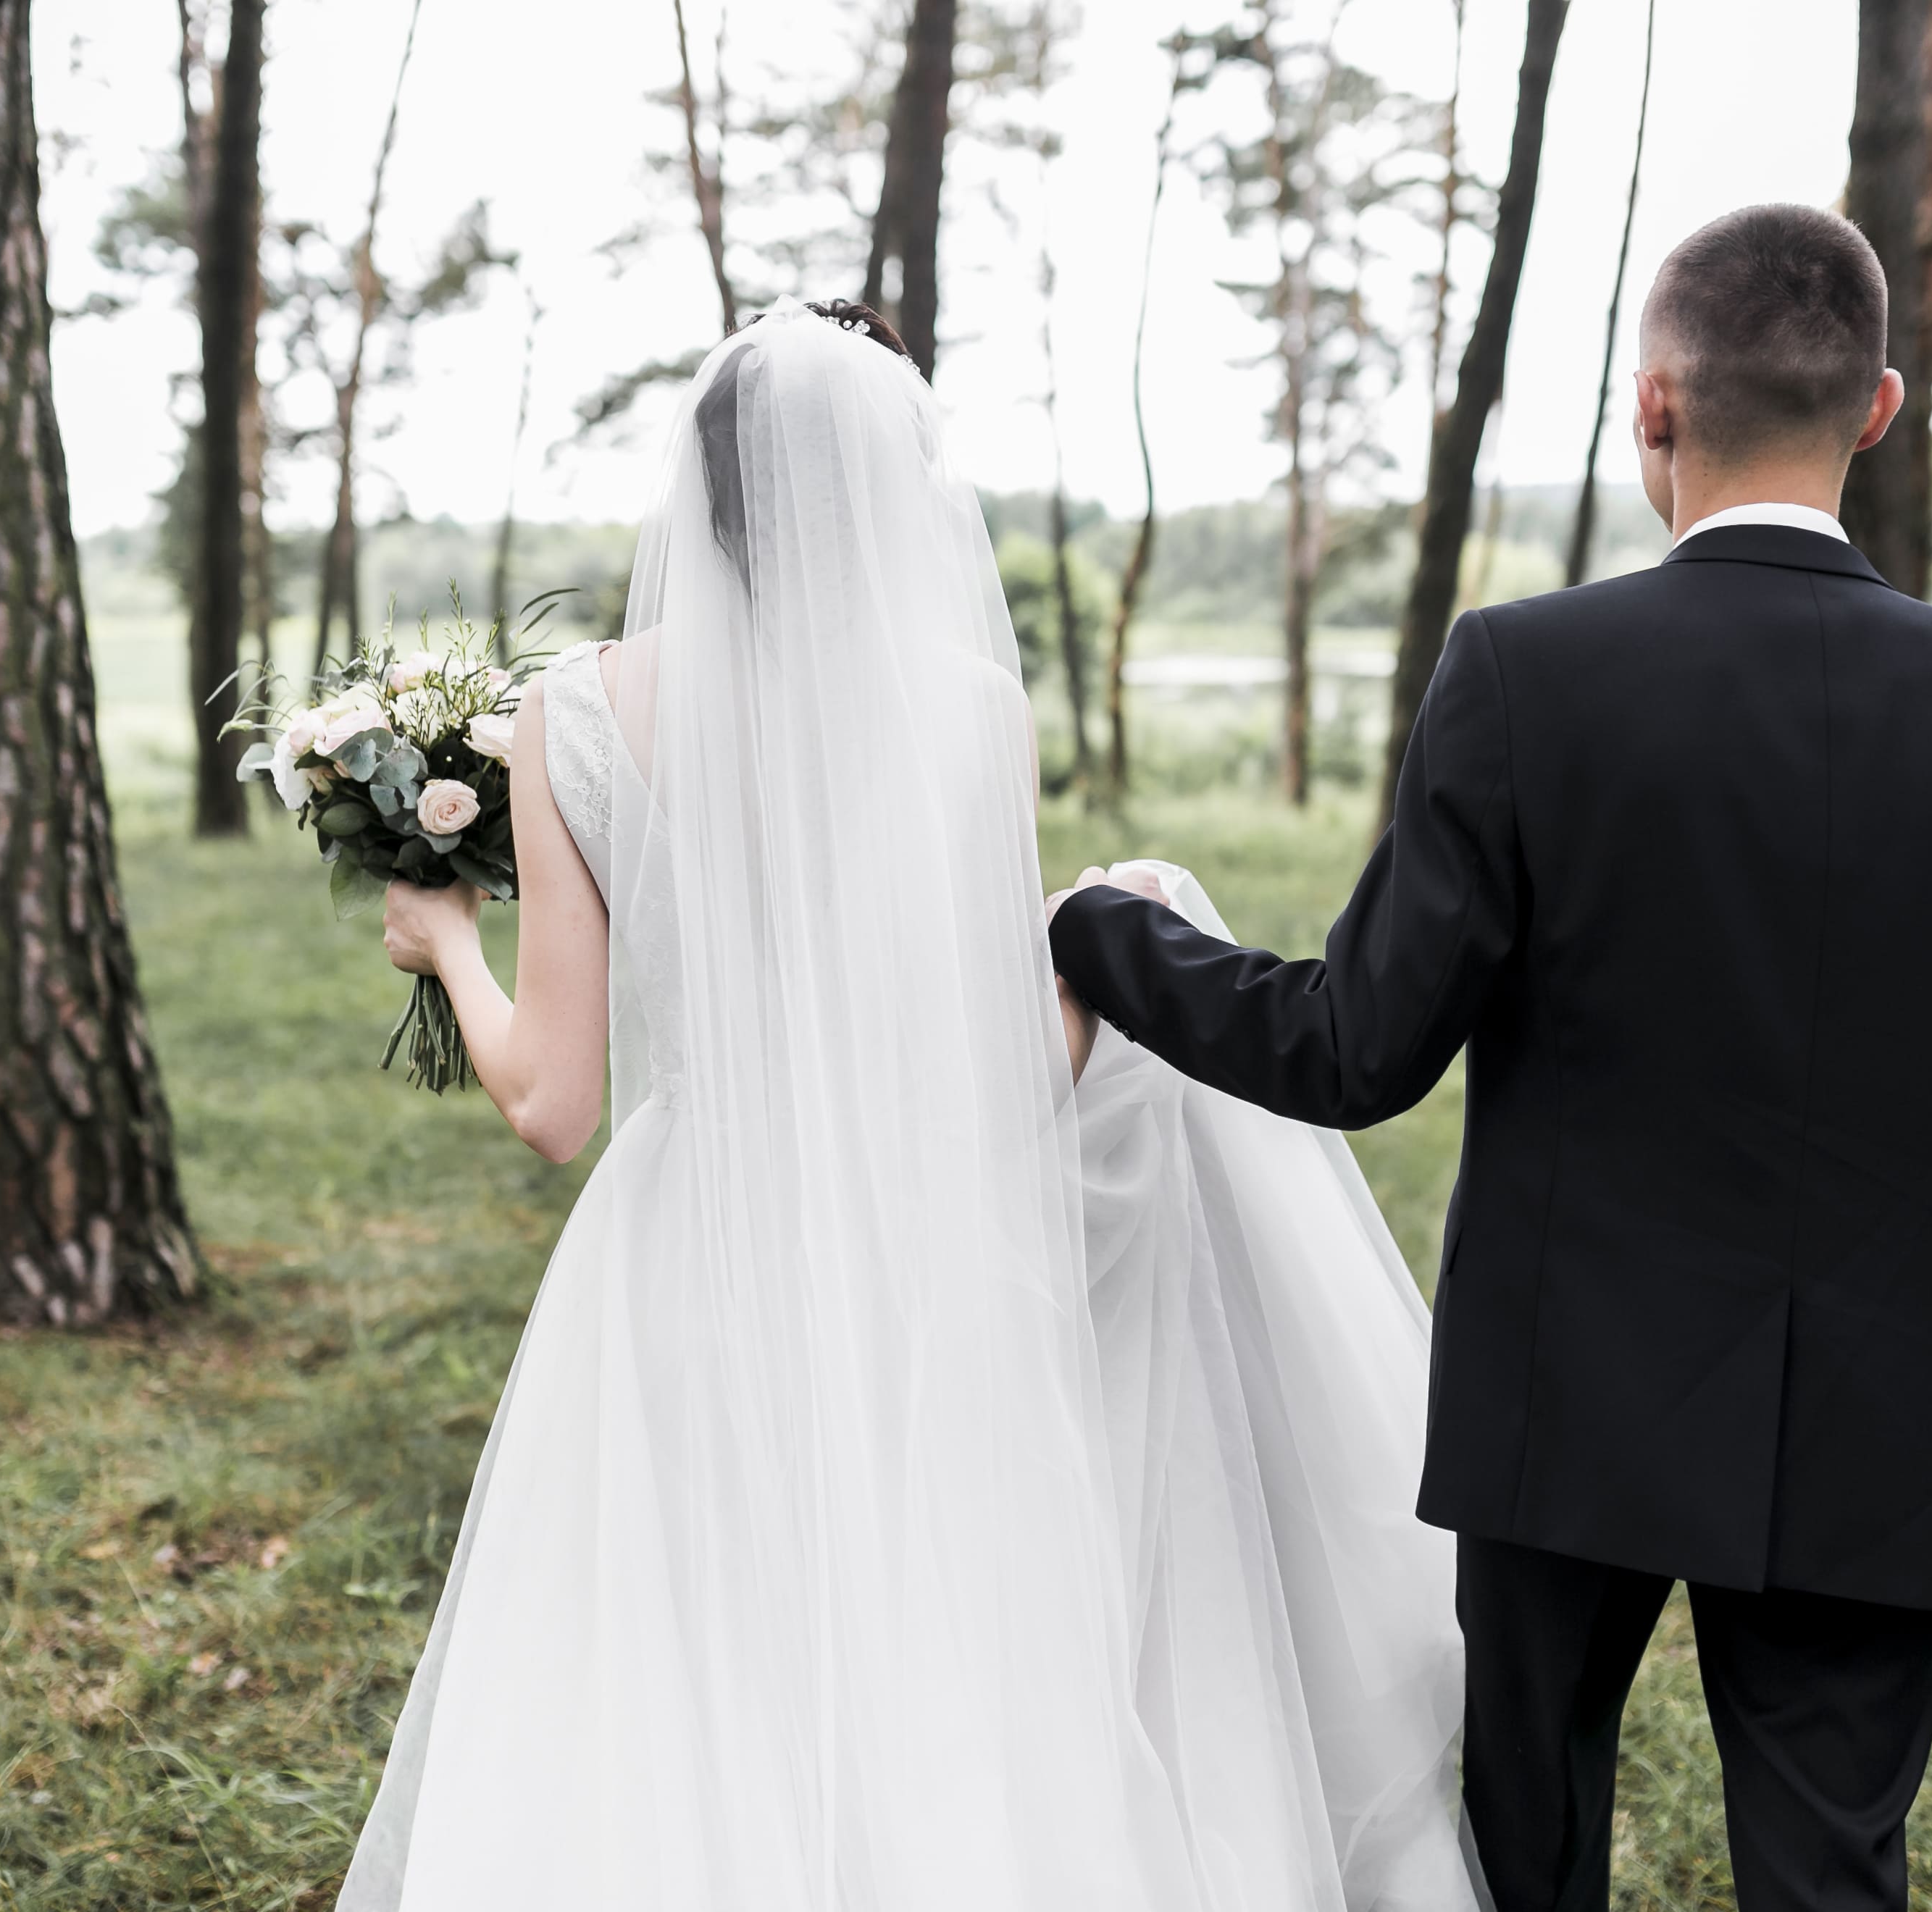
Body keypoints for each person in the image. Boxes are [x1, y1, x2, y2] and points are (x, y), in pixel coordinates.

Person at [1049, 204, 1932, 1912]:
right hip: (1889, 1428)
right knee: (1830, 1874)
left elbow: (1356, 1048)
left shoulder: (1526, 672)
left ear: (1650, 407)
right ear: (1875, 410)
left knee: (1533, 1852)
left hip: (1566, 1408)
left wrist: (1100, 931)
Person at [341, 299, 1479, 1911]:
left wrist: (450, 940)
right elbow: (1010, 1078)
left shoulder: (571, 716)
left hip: (697, 1248)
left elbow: (552, 1103)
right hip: (923, 1252)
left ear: (705, 493)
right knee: (931, 1631)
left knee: (698, 1651)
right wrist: (1112, 963)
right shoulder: (970, 706)